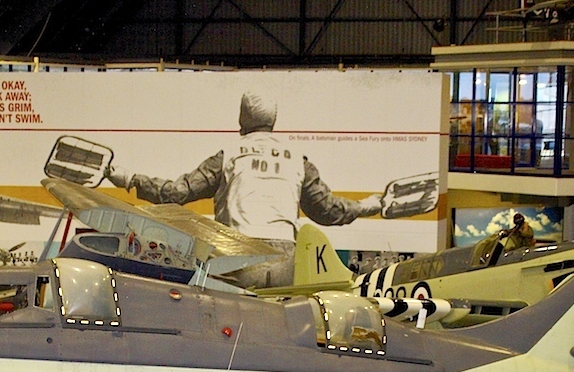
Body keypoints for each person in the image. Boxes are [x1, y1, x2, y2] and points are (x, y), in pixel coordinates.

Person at [105, 91, 383, 285]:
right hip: (286, 258)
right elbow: (326, 211)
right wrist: (368, 205)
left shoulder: (229, 155)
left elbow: (177, 193)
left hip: (237, 252)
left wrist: (130, 179)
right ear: (274, 119)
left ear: (242, 118)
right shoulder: (298, 159)